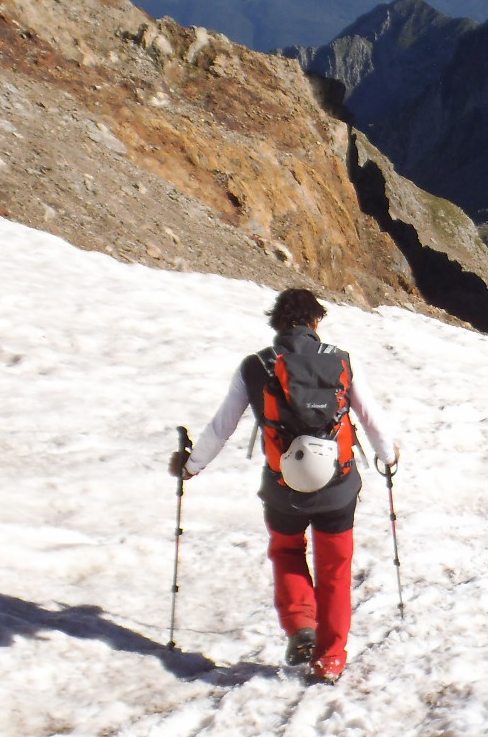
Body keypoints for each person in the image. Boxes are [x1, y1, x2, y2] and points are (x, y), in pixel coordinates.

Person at [170, 288, 399, 683]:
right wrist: (389, 457)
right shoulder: (341, 361)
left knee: (288, 551)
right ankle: (330, 659)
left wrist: (191, 467)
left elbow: (220, 428)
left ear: (276, 323)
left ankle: (301, 627)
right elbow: (372, 419)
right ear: (315, 322)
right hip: (338, 486)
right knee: (335, 568)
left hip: (282, 488)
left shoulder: (256, 366)